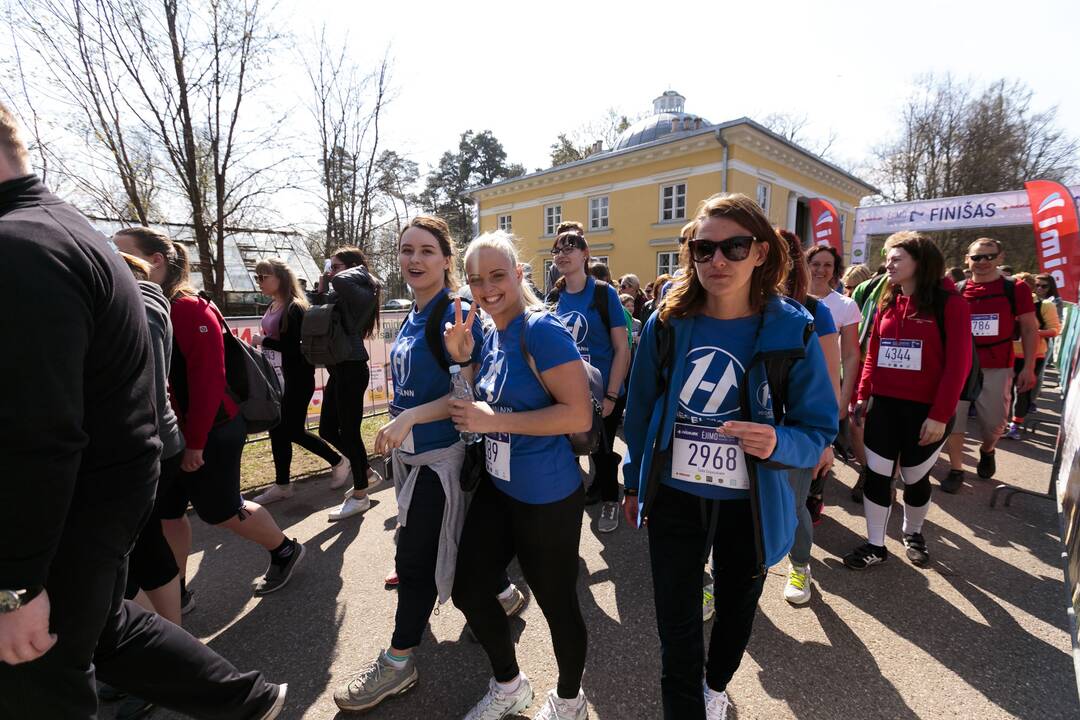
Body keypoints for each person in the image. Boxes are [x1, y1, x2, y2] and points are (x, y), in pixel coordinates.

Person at [0, 103, 287, 718]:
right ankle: (244, 699)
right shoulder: (60, 231)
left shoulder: (26, 247)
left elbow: (42, 428)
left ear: (158, 262)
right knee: (106, 621)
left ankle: (283, 551)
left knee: (40, 669)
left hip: (122, 473)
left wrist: (14, 584)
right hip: (128, 471)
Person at [623, 193, 837, 719]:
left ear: (760, 253)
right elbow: (640, 408)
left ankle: (715, 687)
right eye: (703, 248)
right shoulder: (668, 323)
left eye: (733, 247)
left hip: (752, 504)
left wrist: (777, 442)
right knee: (676, 626)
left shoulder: (793, 328)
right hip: (675, 497)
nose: (716, 261)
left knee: (738, 612)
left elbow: (818, 428)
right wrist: (633, 482)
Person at [334, 216, 528, 712]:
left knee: (414, 558)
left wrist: (413, 417)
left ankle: (399, 662)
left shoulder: (456, 311)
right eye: (405, 250)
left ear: (446, 258)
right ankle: (503, 594)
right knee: (443, 540)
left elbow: (469, 395)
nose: (414, 260)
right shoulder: (416, 314)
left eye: (425, 251)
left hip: (444, 458)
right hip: (412, 456)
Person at [114, 227, 305, 598]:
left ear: (155, 261)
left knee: (222, 510)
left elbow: (208, 382)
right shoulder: (151, 304)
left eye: (124, 256)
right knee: (169, 514)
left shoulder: (187, 308)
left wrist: (195, 445)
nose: (114, 263)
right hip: (174, 438)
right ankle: (177, 588)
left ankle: (285, 550)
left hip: (211, 431)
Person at [449, 230, 594, 720]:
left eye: (496, 276)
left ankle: (571, 699)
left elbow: (578, 416)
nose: (487, 288)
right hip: (498, 484)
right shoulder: (487, 331)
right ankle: (510, 684)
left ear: (518, 275)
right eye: (475, 280)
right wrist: (462, 358)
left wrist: (496, 422)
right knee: (468, 588)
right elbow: (476, 402)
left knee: (556, 604)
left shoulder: (542, 331)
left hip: (547, 496)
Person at [843, 232, 971, 569]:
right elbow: (874, 352)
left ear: (920, 262)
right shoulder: (889, 299)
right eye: (888, 257)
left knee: (914, 479)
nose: (888, 263)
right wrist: (862, 395)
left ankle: (913, 533)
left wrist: (941, 415)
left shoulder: (951, 304)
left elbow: (959, 364)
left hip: (927, 413)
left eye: (897, 258)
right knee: (877, 477)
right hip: (884, 408)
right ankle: (875, 544)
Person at [548, 228, 631, 533]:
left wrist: (611, 395)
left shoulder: (603, 293)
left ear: (585, 255)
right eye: (557, 249)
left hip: (603, 390)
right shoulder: (555, 296)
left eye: (571, 247)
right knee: (572, 448)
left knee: (603, 450)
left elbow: (622, 348)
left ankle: (611, 500)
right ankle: (583, 498)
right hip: (568, 391)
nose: (563, 254)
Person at [942, 238, 1037, 491]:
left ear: (1000, 257)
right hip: (961, 366)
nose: (982, 262)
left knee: (994, 423)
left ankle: (988, 449)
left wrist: (1028, 367)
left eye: (989, 256)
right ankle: (956, 468)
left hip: (997, 365)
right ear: (966, 259)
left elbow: (1029, 328)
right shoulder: (957, 288)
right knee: (955, 419)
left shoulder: (1015, 288)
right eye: (976, 257)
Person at [251, 257, 346, 505]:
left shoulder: (295, 307)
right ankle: (283, 485)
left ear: (280, 278)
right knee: (277, 430)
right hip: (276, 378)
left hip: (297, 378)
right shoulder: (273, 305)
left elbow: (295, 348)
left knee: (292, 430)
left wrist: (263, 341)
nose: (259, 282)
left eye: (263, 277)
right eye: (256, 277)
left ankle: (338, 461)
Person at [778, 230, 839, 605]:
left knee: (792, 503)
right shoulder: (736, 308)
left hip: (796, 432)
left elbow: (830, 383)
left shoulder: (816, 311)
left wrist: (826, 442)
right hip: (746, 428)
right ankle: (722, 578)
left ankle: (800, 564)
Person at [313, 246, 383, 520]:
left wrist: (355, 270)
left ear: (354, 267)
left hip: (352, 368)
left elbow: (341, 280)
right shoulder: (342, 289)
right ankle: (365, 471)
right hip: (338, 368)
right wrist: (321, 289)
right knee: (327, 429)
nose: (332, 271)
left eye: (337, 265)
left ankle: (360, 495)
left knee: (350, 431)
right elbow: (318, 316)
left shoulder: (363, 289)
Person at [806, 245, 860, 520]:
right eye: (816, 263)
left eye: (827, 265)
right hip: (797, 379)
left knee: (823, 442)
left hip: (828, 381)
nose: (820, 270)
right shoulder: (788, 298)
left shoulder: (845, 305)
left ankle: (815, 496)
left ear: (835, 270)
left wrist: (845, 396)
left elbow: (851, 355)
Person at [1004, 272, 1060, 439]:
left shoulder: (1044, 306)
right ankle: (1006, 422)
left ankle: (1015, 424)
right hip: (1008, 354)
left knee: (1023, 391)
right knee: (1006, 391)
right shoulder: (1007, 303)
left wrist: (1031, 331)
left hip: (1034, 355)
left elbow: (1055, 330)